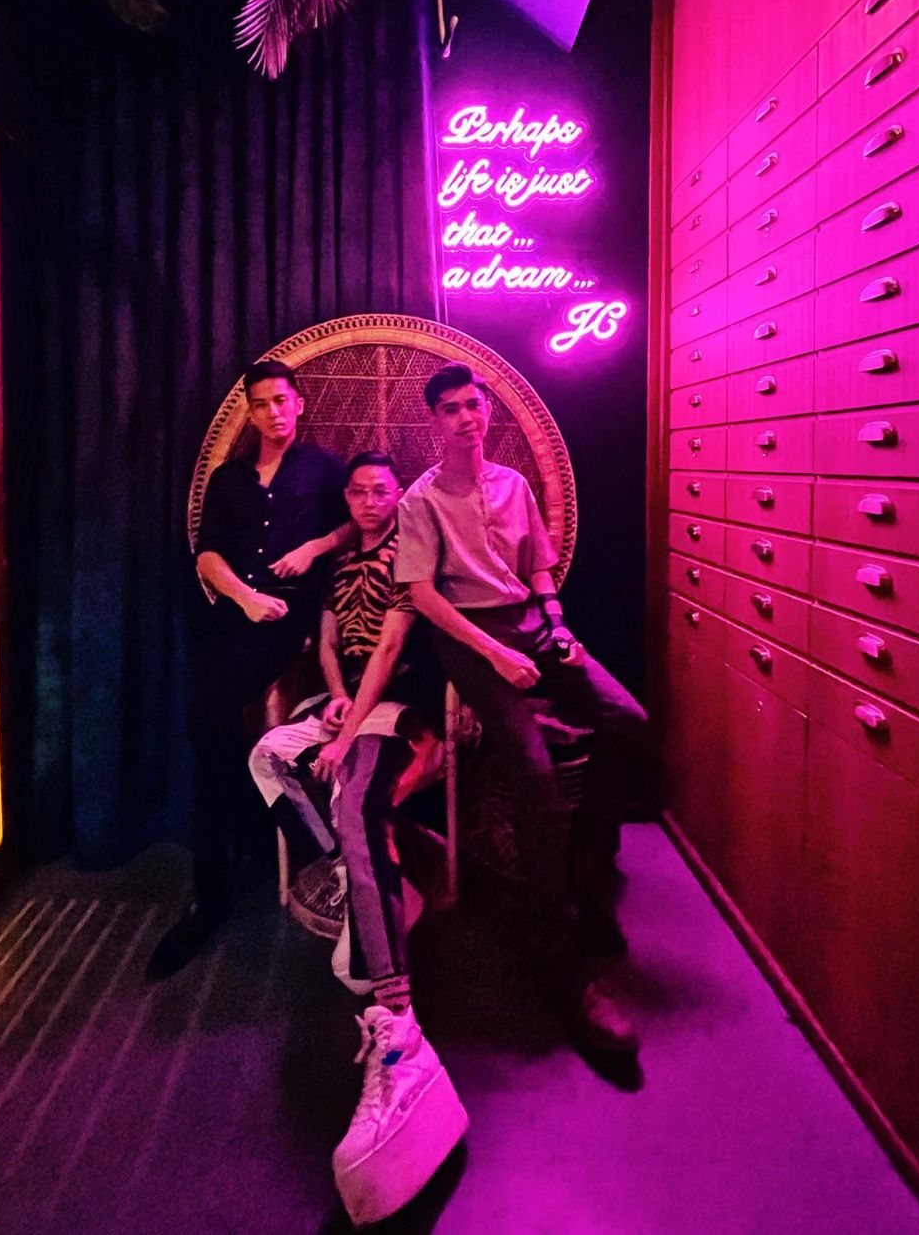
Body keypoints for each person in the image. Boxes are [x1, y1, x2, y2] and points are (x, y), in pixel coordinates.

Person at [395, 361, 648, 1058]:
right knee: (534, 775)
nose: (466, 417)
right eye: (451, 409)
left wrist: (558, 626)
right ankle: (561, 962)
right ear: (434, 422)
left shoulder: (513, 484)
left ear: (487, 410)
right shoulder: (420, 500)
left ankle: (589, 873)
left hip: (533, 626)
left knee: (628, 723)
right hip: (469, 639)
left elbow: (539, 568)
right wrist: (496, 653)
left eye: (473, 405)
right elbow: (422, 595)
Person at [248, 451, 466, 1228]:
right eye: (359, 490)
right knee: (269, 756)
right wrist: (336, 702)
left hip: (399, 710)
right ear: (346, 498)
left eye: (382, 489)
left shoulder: (412, 550)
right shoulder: (341, 562)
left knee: (356, 803)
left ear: (397, 495)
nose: (371, 500)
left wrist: (353, 729)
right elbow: (332, 640)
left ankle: (398, 1016)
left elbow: (391, 649)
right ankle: (346, 871)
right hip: (349, 704)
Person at [148, 360, 352, 980]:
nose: (273, 412)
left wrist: (314, 547)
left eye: (282, 400)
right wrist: (243, 597)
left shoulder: (324, 469)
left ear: (299, 403)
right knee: (205, 723)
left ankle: (213, 890)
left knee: (207, 716)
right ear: (250, 412)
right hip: (237, 610)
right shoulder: (229, 477)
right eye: (261, 404)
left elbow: (361, 520)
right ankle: (239, 851)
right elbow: (206, 555)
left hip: (289, 617)